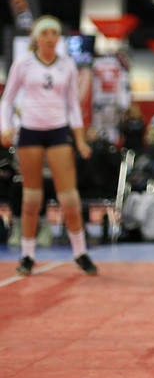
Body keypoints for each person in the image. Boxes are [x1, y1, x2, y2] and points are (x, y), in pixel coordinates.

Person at [0, 15, 98, 276]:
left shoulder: (67, 65)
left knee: (70, 198)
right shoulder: (24, 63)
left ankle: (80, 252)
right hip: (30, 131)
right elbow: (7, 99)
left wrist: (80, 139)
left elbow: (73, 105)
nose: (50, 38)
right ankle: (27, 255)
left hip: (58, 131)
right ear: (36, 38)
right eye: (45, 33)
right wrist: (5, 127)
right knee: (32, 198)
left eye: (54, 33)